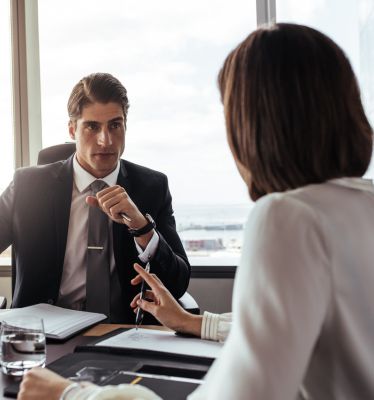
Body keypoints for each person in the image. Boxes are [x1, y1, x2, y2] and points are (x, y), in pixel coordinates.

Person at [18, 22, 374, 400]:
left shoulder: (286, 217)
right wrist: (196, 323)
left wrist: (73, 395)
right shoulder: (362, 203)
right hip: (39, 343)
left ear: (253, 127)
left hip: (116, 349)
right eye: (92, 127)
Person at [0, 72, 190, 323]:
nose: (106, 140)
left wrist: (142, 228)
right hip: (43, 336)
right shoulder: (30, 187)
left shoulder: (151, 187)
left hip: (125, 335)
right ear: (71, 129)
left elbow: (178, 284)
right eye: (92, 127)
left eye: (115, 125)